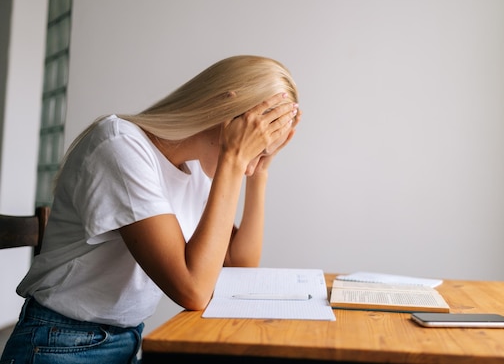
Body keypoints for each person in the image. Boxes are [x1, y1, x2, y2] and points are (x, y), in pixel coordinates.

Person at [0, 55, 301, 364]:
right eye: (253, 146)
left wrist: (260, 171)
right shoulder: (120, 146)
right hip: (60, 344)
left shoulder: (198, 169)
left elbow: (237, 266)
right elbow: (193, 290)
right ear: (225, 111)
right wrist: (234, 160)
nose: (247, 168)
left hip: (126, 343)